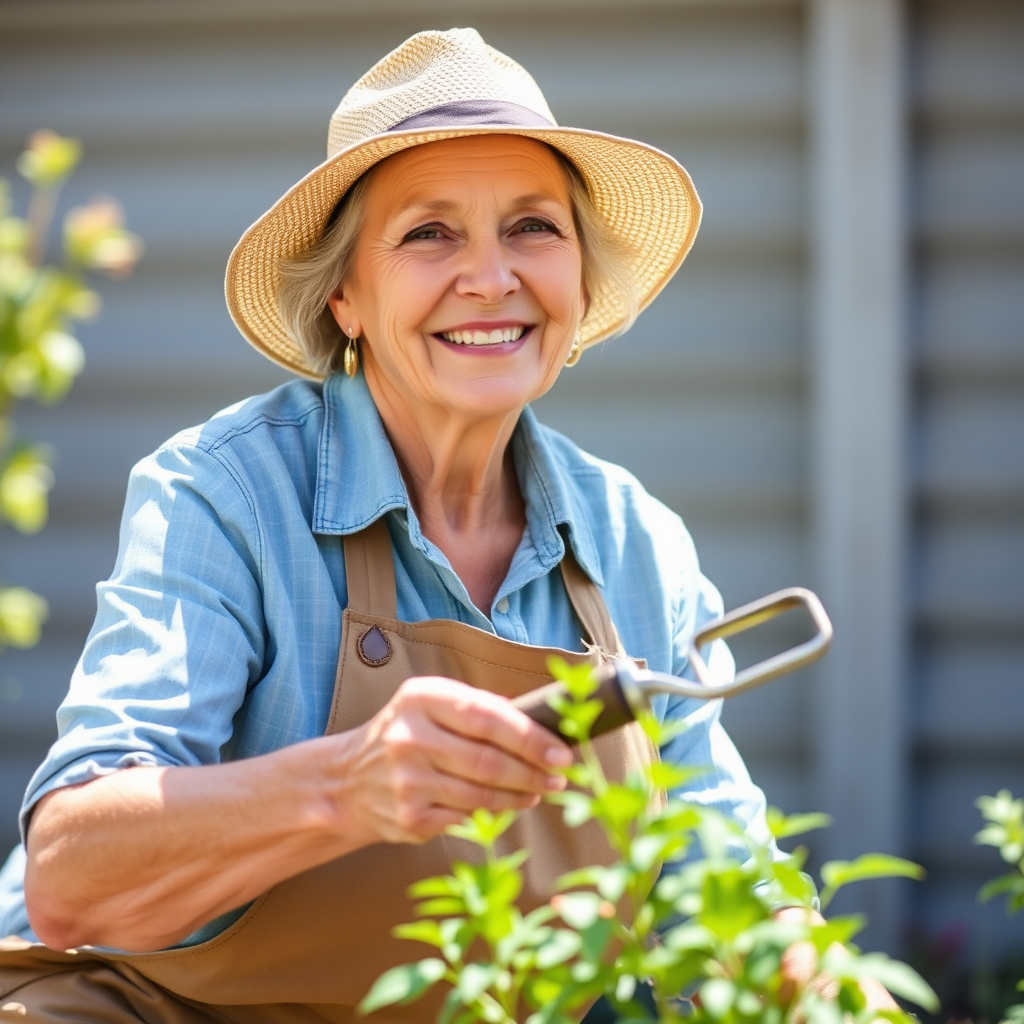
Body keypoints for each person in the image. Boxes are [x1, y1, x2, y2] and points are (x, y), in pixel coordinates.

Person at [0, 27, 866, 1023]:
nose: (492, 277)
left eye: (533, 227)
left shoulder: (633, 547)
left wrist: (810, 979)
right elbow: (71, 875)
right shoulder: (225, 493)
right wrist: (343, 785)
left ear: (579, 282)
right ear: (345, 298)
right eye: (429, 233)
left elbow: (730, 891)